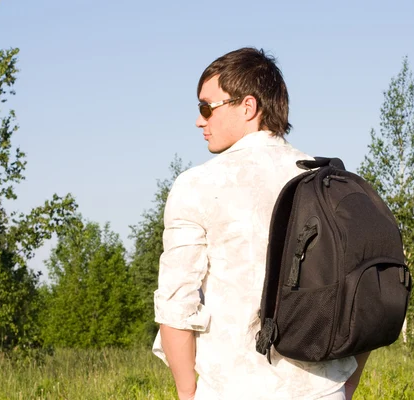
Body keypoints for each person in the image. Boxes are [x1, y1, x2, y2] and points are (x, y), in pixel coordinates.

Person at [152, 47, 370, 400]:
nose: (199, 120)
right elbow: (365, 296)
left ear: (248, 107)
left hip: (231, 388)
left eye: (206, 107)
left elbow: (176, 306)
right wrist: (345, 385)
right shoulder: (330, 181)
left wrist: (187, 393)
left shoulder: (196, 186)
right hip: (323, 390)